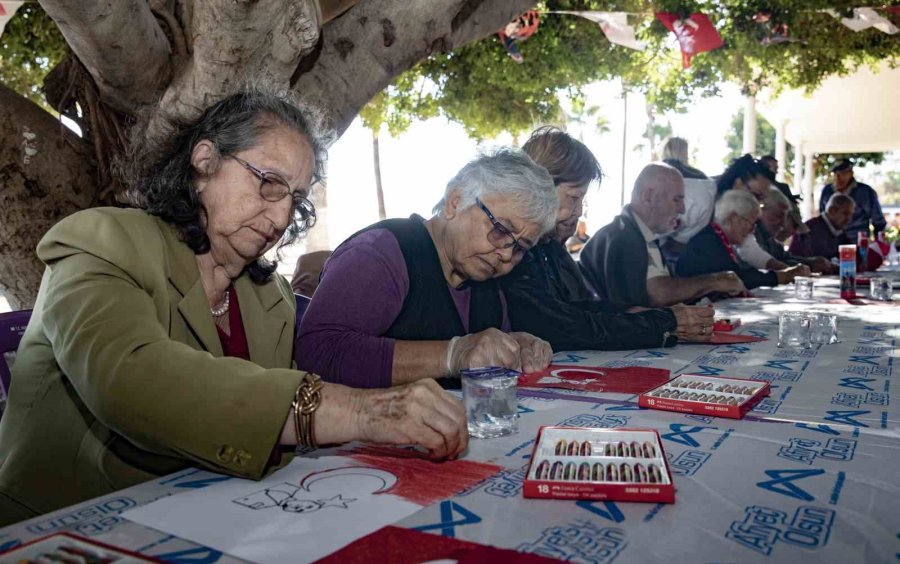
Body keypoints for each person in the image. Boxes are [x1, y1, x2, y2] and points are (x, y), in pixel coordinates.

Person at [0, 89, 468, 526]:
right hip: (64, 526)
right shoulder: (100, 241)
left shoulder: (271, 298)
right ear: (204, 163)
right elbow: (128, 379)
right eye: (268, 183)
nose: (282, 217)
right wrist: (363, 411)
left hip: (211, 518)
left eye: (295, 199)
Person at [296, 149, 555, 389]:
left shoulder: (489, 286)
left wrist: (513, 346)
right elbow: (318, 352)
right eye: (500, 230)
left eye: (520, 247)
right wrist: (452, 355)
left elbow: (484, 359)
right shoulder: (381, 254)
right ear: (455, 202)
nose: (507, 254)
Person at [500, 127, 715, 351]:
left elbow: (578, 309)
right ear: (538, 187)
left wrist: (638, 314)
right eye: (574, 197)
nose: (579, 211)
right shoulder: (516, 248)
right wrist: (663, 322)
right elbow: (560, 326)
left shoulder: (548, 247)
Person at [580, 163, 746, 309]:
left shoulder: (640, 234)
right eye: (676, 199)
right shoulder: (622, 236)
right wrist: (715, 281)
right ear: (648, 196)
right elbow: (659, 294)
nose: (682, 209)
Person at [677, 190, 809, 289]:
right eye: (751, 222)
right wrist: (781, 277)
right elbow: (739, 278)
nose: (752, 230)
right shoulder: (708, 242)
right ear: (732, 218)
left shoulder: (717, 238)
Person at [757, 189, 835, 274]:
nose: (782, 224)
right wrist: (809, 265)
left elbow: (785, 258)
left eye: (784, 218)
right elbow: (764, 265)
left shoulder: (770, 240)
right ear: (761, 210)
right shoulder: (752, 236)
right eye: (778, 216)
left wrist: (812, 263)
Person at [818, 159, 886, 239]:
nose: (837, 178)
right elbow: (822, 217)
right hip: (831, 242)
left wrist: (879, 243)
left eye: (842, 174)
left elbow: (878, 221)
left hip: (857, 241)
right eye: (835, 174)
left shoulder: (865, 192)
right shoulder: (827, 190)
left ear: (850, 173)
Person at [790, 193, 855, 261]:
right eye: (846, 214)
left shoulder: (841, 233)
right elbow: (796, 260)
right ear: (831, 210)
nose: (849, 219)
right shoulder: (808, 230)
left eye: (851, 215)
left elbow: (853, 260)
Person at [759, 155, 810, 240]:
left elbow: (792, 208)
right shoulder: (758, 188)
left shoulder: (783, 187)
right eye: (772, 167)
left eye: (776, 168)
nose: (775, 171)